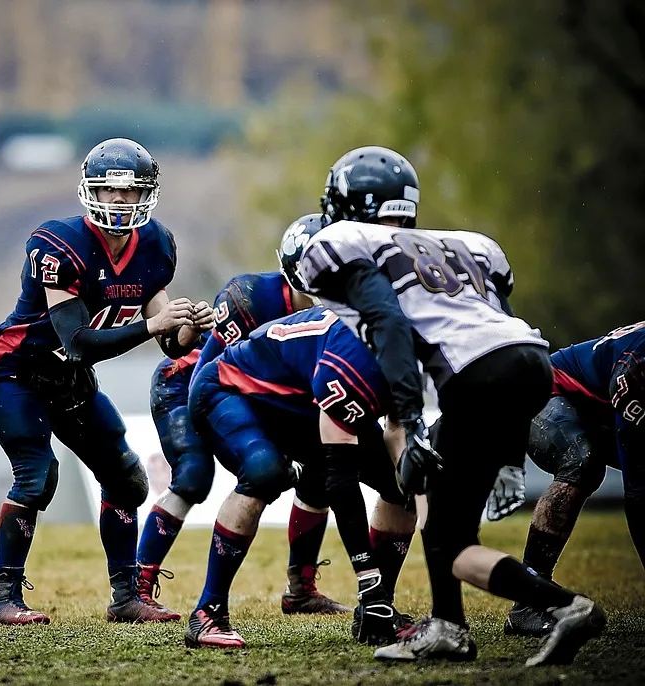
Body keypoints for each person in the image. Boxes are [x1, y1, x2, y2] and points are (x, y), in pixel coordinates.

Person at [295, 145, 606, 666]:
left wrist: (412, 422)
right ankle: (448, 625)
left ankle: (564, 606)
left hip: (476, 377)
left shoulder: (344, 242)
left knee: (446, 538)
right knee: (445, 525)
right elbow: (501, 325)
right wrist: (509, 453)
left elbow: (389, 323)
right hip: (531, 361)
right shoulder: (464, 244)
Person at [0, 138, 215, 625]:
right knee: (37, 476)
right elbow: (79, 340)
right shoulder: (57, 245)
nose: (120, 202)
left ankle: (126, 598)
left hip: (67, 376)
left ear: (147, 194)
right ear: (90, 193)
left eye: (131, 192)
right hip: (14, 370)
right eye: (110, 192)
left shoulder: (156, 246)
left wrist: (189, 325)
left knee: (126, 480)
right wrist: (154, 327)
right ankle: (6, 599)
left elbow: (169, 338)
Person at [184, 304, 414, 649]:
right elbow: (342, 482)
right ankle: (208, 612)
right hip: (231, 388)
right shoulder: (351, 353)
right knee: (264, 473)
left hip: (300, 399)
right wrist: (367, 574)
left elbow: (396, 429)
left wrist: (414, 486)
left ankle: (377, 610)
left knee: (402, 485)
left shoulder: (400, 340)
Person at [138, 264, 354, 618]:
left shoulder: (347, 305)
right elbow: (210, 376)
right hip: (190, 384)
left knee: (319, 471)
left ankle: (301, 588)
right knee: (197, 476)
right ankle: (138, 587)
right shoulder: (251, 297)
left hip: (254, 392)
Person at [505, 321, 645, 636]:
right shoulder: (638, 368)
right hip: (544, 390)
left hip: (595, 404)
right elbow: (637, 494)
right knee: (582, 463)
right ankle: (529, 601)